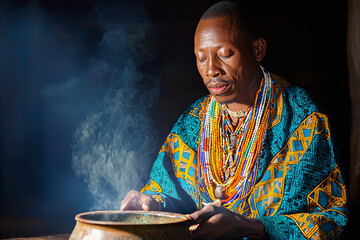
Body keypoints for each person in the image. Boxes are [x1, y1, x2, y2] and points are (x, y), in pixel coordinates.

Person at [120, 1, 349, 239]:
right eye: (201, 58)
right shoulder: (194, 121)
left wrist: (249, 226)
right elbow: (166, 190)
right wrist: (151, 204)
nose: (211, 70)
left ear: (258, 50)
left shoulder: (302, 118)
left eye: (225, 54)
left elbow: (332, 221)